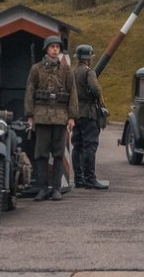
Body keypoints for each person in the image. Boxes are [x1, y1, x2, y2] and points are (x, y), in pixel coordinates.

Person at [24, 35, 79, 201]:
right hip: (41, 116)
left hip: (60, 117)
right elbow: (30, 92)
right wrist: (30, 115)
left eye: (57, 47)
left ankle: (55, 188)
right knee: (40, 154)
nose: (55, 50)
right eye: (52, 46)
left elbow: (73, 93)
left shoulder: (66, 70)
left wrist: (72, 116)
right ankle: (42, 188)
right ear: (46, 49)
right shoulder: (36, 69)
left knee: (58, 153)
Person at [72, 44, 109, 190]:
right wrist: (98, 95)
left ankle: (78, 179)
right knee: (90, 146)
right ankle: (90, 179)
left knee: (77, 146)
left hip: (76, 112)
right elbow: (95, 88)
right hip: (88, 112)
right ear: (89, 58)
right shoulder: (89, 72)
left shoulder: (73, 72)